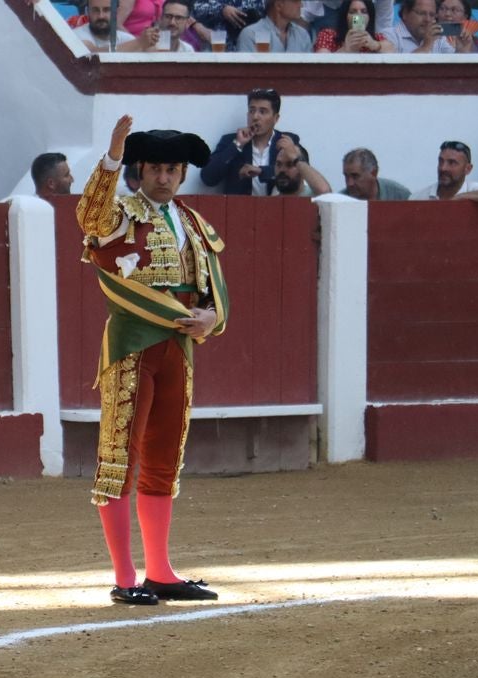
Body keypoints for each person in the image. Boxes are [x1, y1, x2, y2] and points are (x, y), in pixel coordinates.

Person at [76, 116, 228, 606]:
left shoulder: (190, 221)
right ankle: (125, 576)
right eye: (155, 168)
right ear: (139, 171)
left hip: (178, 347)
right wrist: (111, 157)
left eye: (172, 169)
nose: (164, 177)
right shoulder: (121, 212)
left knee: (164, 456)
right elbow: (89, 217)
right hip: (133, 343)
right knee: (121, 454)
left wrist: (210, 317)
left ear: (182, 173)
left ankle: (160, 570)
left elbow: (210, 284)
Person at [200, 88, 300, 196]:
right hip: (240, 210)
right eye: (252, 111)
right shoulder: (231, 141)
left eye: (262, 111)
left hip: (280, 209)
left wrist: (262, 171)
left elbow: (301, 176)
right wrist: (237, 145)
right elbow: (208, 178)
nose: (255, 117)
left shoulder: (287, 141)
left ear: (276, 118)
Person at [411, 140, 478, 200]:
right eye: (441, 161)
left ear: (468, 169)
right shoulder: (418, 197)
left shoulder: (473, 190)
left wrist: (462, 197)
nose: (443, 168)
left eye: (452, 163)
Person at [313, 0, 396, 50]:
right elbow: (321, 62)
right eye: (353, 12)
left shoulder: (375, 38)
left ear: (370, 17)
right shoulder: (328, 35)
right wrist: (345, 49)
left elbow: (392, 50)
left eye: (364, 12)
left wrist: (376, 45)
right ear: (345, 16)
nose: (358, 16)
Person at [234, 0, 313, 50]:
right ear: (278, 5)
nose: (301, 5)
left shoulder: (303, 35)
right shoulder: (250, 35)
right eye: (296, 1)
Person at [340, 148, 411, 200]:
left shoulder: (399, 196)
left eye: (355, 176)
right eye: (346, 176)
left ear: (374, 173)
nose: (350, 183)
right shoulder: (339, 202)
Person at [383, 0, 457, 50]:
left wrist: (462, 49)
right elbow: (397, 71)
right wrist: (426, 46)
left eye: (432, 15)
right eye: (421, 13)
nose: (427, 19)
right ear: (405, 13)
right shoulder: (389, 36)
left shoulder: (438, 38)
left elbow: (453, 68)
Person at [193, 0, 265, 49]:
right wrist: (222, 9)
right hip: (218, 48)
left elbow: (268, 12)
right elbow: (196, 9)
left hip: (251, 48)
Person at [74, 0, 140, 50]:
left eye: (106, 10)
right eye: (95, 10)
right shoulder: (76, 36)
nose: (101, 16)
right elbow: (92, 53)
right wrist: (139, 43)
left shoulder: (127, 39)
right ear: (88, 11)